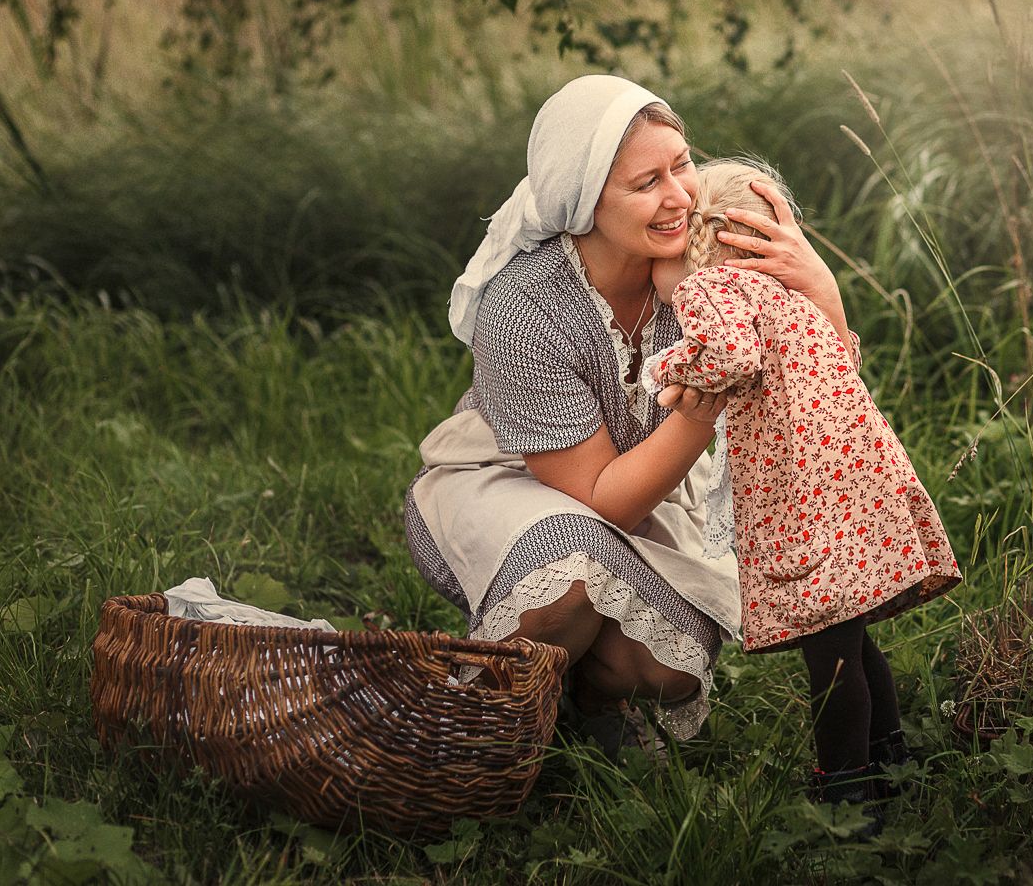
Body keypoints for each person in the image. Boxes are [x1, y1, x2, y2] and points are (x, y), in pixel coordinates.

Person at [402, 76, 849, 752]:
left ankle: (582, 700)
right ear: (586, 203)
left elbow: (825, 392)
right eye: (646, 183)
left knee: (663, 668)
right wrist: (702, 411)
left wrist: (819, 283)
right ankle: (483, 735)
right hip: (512, 488)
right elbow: (598, 499)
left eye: (681, 163)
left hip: (650, 493)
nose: (679, 195)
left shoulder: (705, 263)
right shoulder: (525, 308)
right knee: (570, 576)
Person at [646, 159, 962, 815]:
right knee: (851, 635)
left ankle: (847, 792)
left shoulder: (712, 291)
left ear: (708, 241)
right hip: (854, 486)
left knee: (831, 660)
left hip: (804, 502)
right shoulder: (787, 297)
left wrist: (665, 365)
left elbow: (729, 356)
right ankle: (891, 757)